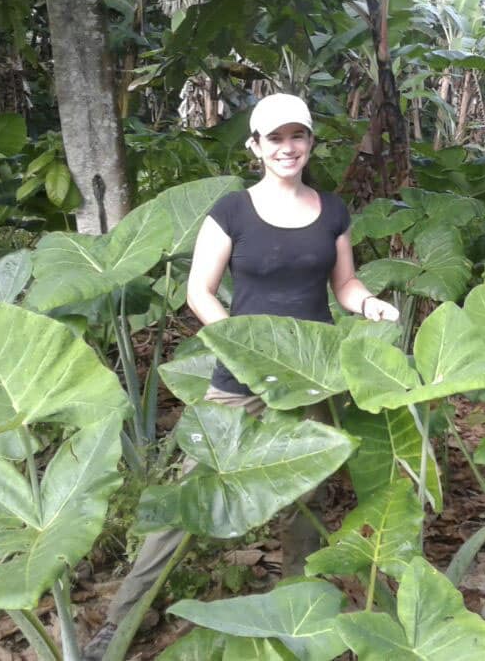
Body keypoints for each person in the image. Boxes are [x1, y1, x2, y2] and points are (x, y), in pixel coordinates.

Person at [83, 94, 398, 660]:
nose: (288, 147)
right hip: (241, 374)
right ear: (255, 146)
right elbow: (199, 292)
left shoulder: (331, 210)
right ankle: (123, 618)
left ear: (309, 143)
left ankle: (298, 616)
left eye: (297, 136)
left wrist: (368, 303)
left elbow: (344, 284)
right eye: (275, 138)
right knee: (193, 490)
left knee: (305, 497)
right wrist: (242, 345)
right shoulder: (232, 211)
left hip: (312, 372)